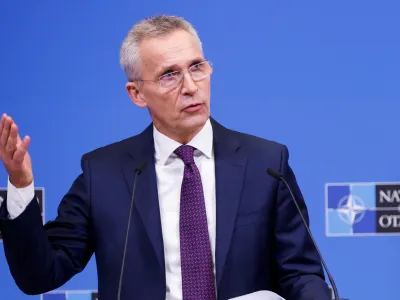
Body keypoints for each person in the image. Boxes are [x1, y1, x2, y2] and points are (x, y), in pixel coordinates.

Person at [0, 15, 331, 300]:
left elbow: (300, 273)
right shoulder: (103, 174)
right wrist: (21, 184)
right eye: (170, 75)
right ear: (137, 93)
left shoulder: (266, 163)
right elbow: (40, 276)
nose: (190, 86)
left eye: (197, 67)